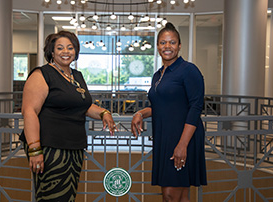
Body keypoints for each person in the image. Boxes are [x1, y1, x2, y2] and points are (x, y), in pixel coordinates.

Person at [19, 30, 117, 202]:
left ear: (76, 51)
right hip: (50, 148)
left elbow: (84, 105)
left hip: (74, 147)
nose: (66, 52)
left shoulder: (76, 76)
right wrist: (35, 150)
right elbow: (29, 111)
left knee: (68, 196)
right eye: (60, 48)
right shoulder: (42, 74)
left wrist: (104, 113)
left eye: (70, 48)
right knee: (52, 197)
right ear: (51, 52)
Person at [131, 22, 207, 202]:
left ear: (179, 45)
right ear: (157, 46)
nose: (167, 47)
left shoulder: (188, 70)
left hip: (183, 137)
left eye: (172, 42)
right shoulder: (158, 74)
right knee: (176, 195)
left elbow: (195, 108)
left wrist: (182, 145)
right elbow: (160, 105)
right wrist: (141, 113)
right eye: (163, 42)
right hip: (164, 137)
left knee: (171, 195)